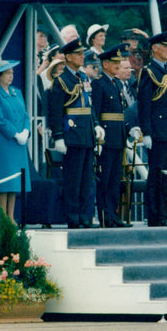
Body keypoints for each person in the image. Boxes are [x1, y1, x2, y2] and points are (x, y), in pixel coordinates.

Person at [48, 38, 101, 229]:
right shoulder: (62, 80)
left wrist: (96, 124)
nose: (81, 57)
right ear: (68, 57)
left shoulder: (84, 78)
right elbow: (54, 111)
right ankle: (73, 216)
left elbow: (89, 104)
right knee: (73, 179)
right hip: (72, 134)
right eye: (78, 54)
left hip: (87, 133)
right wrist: (59, 136)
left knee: (87, 178)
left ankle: (86, 216)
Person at [138, 31, 167, 227]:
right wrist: (146, 132)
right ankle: (154, 216)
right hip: (157, 131)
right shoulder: (149, 71)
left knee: (166, 177)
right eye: (166, 46)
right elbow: (144, 104)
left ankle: (162, 213)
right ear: (155, 48)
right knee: (156, 175)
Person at [91, 45, 135, 228]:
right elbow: (97, 111)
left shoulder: (116, 84)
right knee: (106, 179)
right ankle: (105, 216)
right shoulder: (98, 83)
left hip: (118, 137)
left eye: (119, 62)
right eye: (115, 62)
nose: (118, 65)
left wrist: (128, 129)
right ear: (105, 64)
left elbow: (120, 112)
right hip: (106, 138)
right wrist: (97, 132)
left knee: (115, 180)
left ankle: (114, 215)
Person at [0, 59, 31, 223]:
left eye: (11, 73)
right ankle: (2, 216)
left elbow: (25, 115)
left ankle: (11, 215)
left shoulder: (16, 92)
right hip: (4, 141)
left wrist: (26, 131)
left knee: (15, 182)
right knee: (4, 180)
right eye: (7, 73)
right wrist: (14, 134)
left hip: (19, 143)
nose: (11, 76)